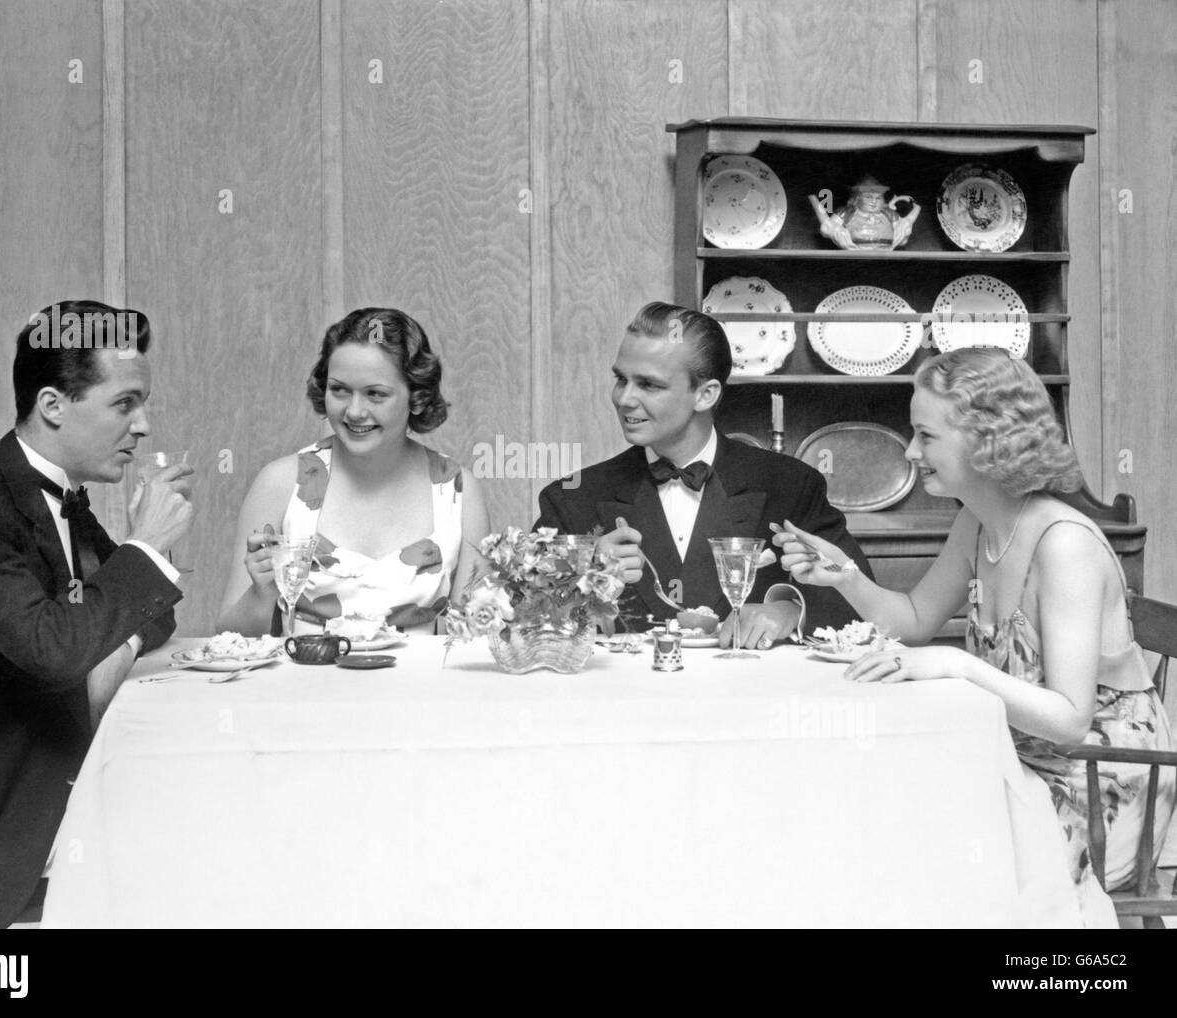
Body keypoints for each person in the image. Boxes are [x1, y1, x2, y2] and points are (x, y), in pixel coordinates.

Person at [774, 347, 1175, 913]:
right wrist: (840, 576)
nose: (911, 453)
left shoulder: (1064, 545)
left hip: (1098, 781)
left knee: (920, 849)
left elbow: (1069, 719)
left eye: (926, 436)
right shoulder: (977, 520)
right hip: (1018, 759)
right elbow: (912, 621)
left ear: (988, 438)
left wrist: (960, 665)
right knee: (866, 802)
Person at [0, 300, 193, 928]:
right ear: (53, 405)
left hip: (53, 803)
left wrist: (111, 623)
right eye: (125, 403)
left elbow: (150, 618)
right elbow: (59, 654)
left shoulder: (64, 498)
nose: (145, 426)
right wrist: (147, 547)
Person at [535, 301, 870, 642]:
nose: (624, 398)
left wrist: (790, 611)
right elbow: (518, 621)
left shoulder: (792, 486)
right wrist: (583, 579)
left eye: (649, 385)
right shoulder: (572, 497)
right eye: (621, 379)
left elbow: (863, 602)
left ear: (706, 394)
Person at [218, 307, 489, 635]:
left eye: (375, 394)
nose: (355, 411)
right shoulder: (278, 483)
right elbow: (229, 636)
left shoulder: (459, 490)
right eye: (339, 390)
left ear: (417, 397)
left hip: (422, 686)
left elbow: (476, 635)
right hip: (302, 684)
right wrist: (261, 594)